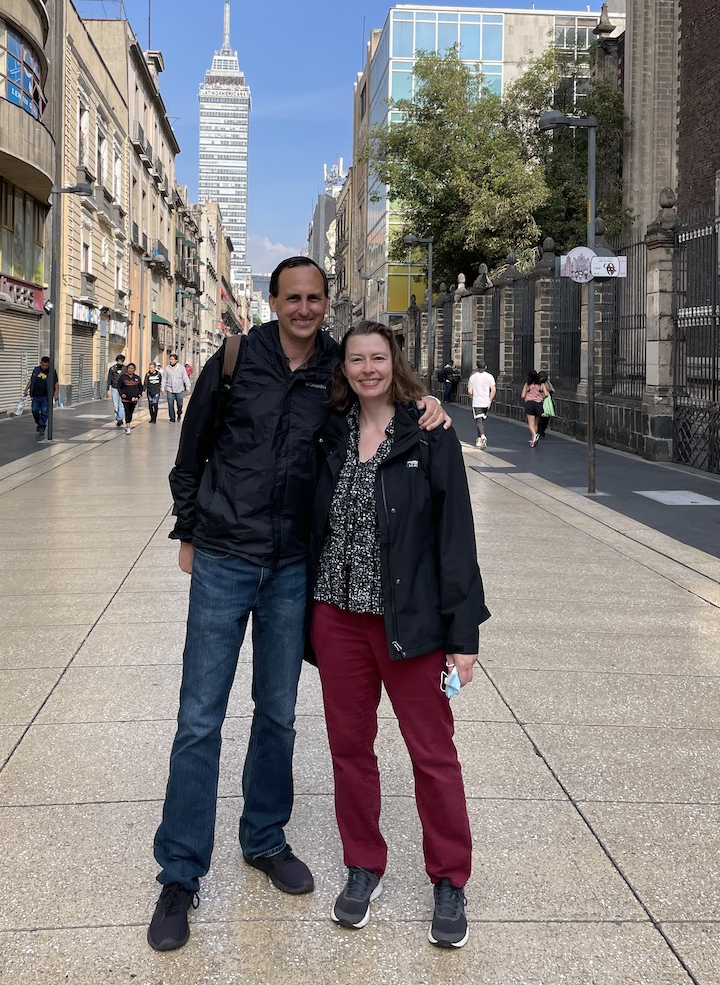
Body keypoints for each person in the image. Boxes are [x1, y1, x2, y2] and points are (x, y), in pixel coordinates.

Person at [146, 256, 450, 954]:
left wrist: (427, 406)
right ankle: (180, 874)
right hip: (224, 557)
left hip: (291, 568)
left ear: (324, 302)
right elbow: (190, 456)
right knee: (199, 718)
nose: (305, 308)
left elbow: (383, 399)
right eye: (293, 297)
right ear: (275, 300)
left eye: (315, 298)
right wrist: (190, 529)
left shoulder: (337, 370)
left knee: (278, 713)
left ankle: (263, 837)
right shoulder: (233, 360)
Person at [309, 321, 488, 949]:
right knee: (349, 747)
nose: (367, 369)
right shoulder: (329, 432)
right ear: (343, 368)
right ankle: (363, 864)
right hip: (337, 618)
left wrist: (463, 636)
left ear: (395, 362)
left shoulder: (428, 432)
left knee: (432, 751)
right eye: (356, 359)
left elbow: (456, 536)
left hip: (410, 622)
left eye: (378, 358)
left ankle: (450, 877)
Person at [23, 355, 59, 436]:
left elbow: (56, 383)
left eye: (46, 365)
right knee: (34, 410)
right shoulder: (36, 370)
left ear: (49, 364)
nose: (44, 367)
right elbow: (31, 380)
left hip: (45, 396)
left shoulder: (52, 372)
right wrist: (26, 389)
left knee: (45, 412)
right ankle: (39, 422)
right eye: (43, 365)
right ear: (40, 363)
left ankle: (41, 427)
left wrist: (56, 393)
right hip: (36, 395)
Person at [467, 361, 496, 450]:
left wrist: (472, 395)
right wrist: (490, 400)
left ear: (477, 367)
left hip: (477, 401)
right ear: (485, 367)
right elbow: (493, 390)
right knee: (482, 420)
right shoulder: (490, 376)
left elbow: (470, 391)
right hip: (486, 401)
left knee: (478, 421)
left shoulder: (473, 377)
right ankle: (479, 439)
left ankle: (482, 436)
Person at [521, 370, 550, 448]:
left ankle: (534, 435)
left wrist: (528, 396)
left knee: (531, 424)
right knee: (536, 423)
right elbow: (546, 394)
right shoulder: (541, 385)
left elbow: (523, 395)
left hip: (530, 403)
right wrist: (541, 397)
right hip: (538, 404)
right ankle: (533, 440)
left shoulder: (527, 384)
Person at [116, 363, 143, 434]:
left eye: (132, 368)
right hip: (125, 399)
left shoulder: (137, 378)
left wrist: (139, 395)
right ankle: (128, 427)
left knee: (130, 412)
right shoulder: (123, 377)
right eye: (129, 368)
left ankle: (128, 423)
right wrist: (122, 394)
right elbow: (118, 387)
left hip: (134, 399)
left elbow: (140, 387)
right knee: (127, 411)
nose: (130, 370)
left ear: (134, 369)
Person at [163, 352, 190, 423]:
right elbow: (164, 378)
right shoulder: (167, 368)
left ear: (176, 360)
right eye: (170, 359)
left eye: (172, 359)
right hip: (170, 389)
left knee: (180, 403)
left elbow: (185, 377)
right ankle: (172, 418)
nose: (171, 361)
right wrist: (162, 387)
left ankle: (179, 413)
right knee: (170, 404)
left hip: (179, 389)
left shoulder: (181, 368)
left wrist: (187, 386)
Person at [106, 354, 126, 427]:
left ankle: (120, 418)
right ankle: (118, 418)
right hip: (114, 388)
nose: (120, 362)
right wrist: (107, 389)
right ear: (117, 360)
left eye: (122, 360)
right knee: (115, 405)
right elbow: (109, 379)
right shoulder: (112, 369)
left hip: (123, 388)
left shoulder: (125, 368)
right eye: (119, 360)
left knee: (121, 404)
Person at [537, 370, 555, 439]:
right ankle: (540, 431)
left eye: (544, 377)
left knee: (545, 418)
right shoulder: (536, 383)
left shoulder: (547, 383)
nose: (543, 378)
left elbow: (552, 390)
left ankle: (542, 431)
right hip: (539, 401)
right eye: (542, 377)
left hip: (547, 402)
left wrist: (547, 390)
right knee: (540, 417)